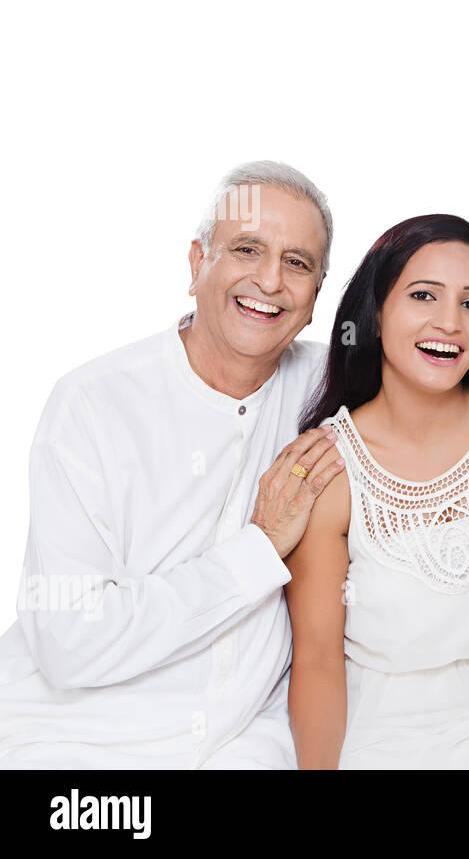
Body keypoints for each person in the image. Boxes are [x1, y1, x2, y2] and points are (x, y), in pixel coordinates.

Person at [0, 160, 344, 768]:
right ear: (197, 264)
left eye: (297, 263)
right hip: (72, 742)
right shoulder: (91, 403)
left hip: (241, 743)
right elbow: (69, 641)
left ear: (317, 296)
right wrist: (257, 549)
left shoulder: (331, 387)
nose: (270, 280)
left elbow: (460, 386)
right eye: (247, 249)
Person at [288, 215, 469, 769]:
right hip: (381, 739)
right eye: (423, 295)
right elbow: (317, 662)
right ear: (377, 311)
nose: (450, 323)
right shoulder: (328, 468)